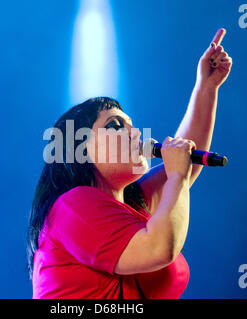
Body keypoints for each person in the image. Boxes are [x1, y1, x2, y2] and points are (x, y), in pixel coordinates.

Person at [27, 28, 232, 298]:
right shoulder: (73, 206)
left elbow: (186, 164)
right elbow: (160, 246)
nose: (135, 133)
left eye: (132, 126)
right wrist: (177, 176)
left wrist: (206, 87)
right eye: (115, 126)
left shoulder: (131, 206)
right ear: (79, 148)